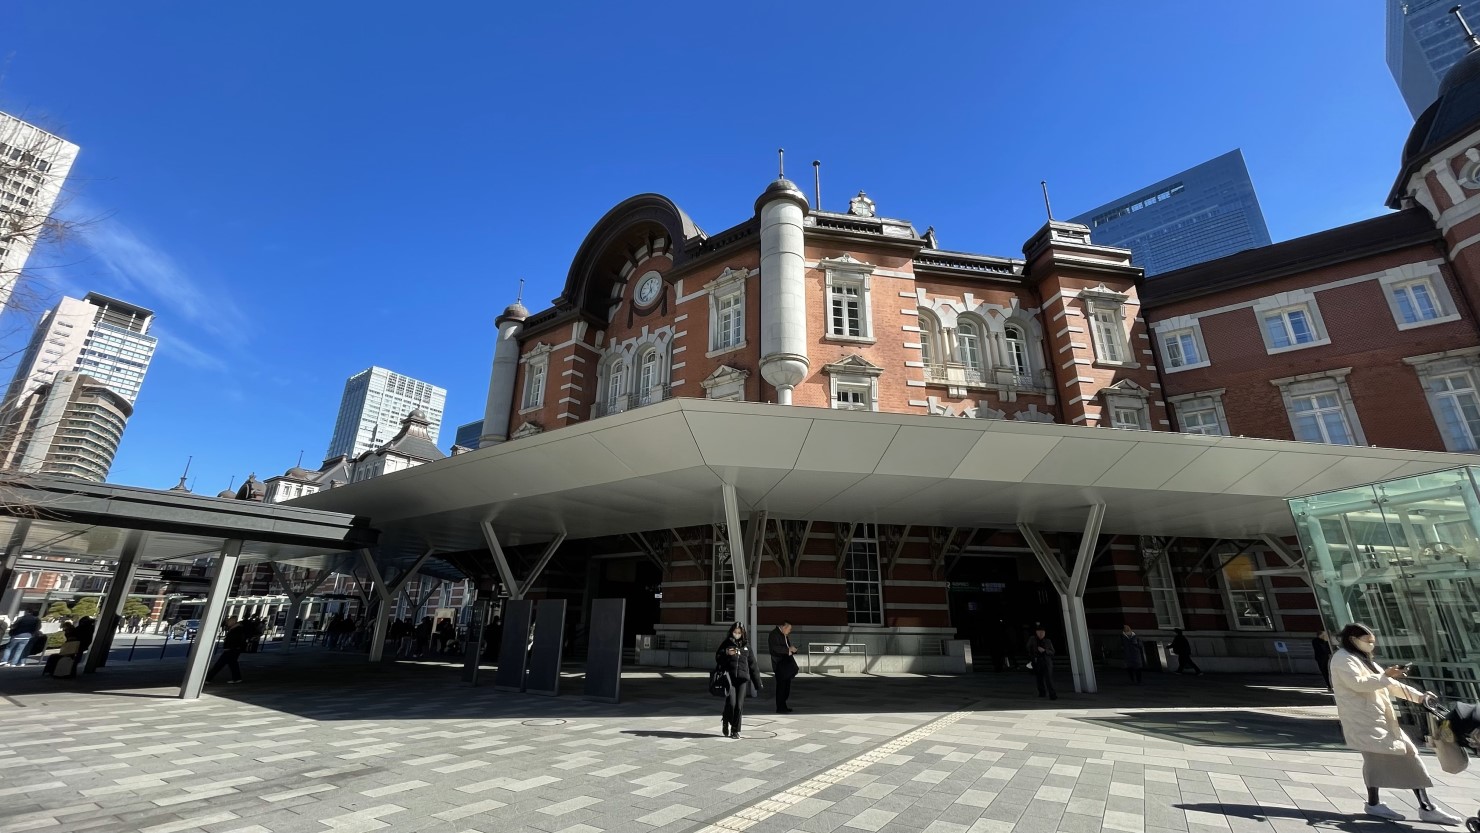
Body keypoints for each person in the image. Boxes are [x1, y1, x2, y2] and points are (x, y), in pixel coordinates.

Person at [1331, 623, 1461, 824]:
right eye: (1368, 640)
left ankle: (1376, 804)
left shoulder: (1362, 659)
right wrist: (1386, 676)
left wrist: (1420, 697)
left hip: (1376, 720)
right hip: (1365, 721)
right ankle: (1425, 807)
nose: (1371, 644)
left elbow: (1390, 685)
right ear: (1353, 639)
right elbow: (1358, 684)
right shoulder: (1342, 659)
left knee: (1380, 761)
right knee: (1405, 756)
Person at [715, 622, 761, 738]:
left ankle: (735, 730)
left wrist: (757, 683)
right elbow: (718, 657)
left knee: (739, 705)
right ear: (732, 632)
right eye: (735, 632)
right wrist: (727, 653)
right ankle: (726, 719)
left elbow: (753, 665)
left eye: (739, 633)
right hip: (729, 678)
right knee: (731, 703)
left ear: (742, 633)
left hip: (742, 679)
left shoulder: (746, 646)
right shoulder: (727, 643)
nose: (737, 634)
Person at [206, 620, 252, 684]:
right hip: (233, 649)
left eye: (229, 622)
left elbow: (234, 640)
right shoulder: (236, 629)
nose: (227, 623)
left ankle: (208, 678)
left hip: (231, 649)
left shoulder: (236, 630)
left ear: (232, 622)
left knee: (220, 664)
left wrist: (229, 647)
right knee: (232, 664)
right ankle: (237, 678)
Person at [768, 620, 799, 713]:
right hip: (780, 664)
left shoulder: (784, 635)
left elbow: (787, 647)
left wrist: (793, 649)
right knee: (781, 687)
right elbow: (775, 649)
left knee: (786, 687)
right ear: (784, 627)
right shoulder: (774, 634)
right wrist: (788, 649)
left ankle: (784, 706)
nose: (789, 631)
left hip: (786, 664)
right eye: (789, 629)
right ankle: (780, 707)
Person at [1026, 625, 1057, 700]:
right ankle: (1042, 692)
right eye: (1039, 632)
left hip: (1046, 662)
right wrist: (1032, 656)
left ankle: (1052, 694)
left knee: (1048, 679)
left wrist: (1045, 651)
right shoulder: (1032, 639)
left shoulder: (1048, 641)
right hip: (1037, 661)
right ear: (1036, 633)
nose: (1041, 634)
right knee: (1039, 678)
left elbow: (1053, 652)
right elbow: (1028, 648)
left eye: (1043, 632)